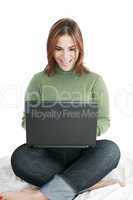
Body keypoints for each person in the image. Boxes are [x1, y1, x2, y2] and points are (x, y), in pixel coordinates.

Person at [1, 18, 121, 200]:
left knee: (111, 150)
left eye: (71, 49)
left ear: (80, 48)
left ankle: (42, 195)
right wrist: (46, 129)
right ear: (50, 49)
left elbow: (104, 120)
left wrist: (84, 131)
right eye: (59, 49)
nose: (65, 56)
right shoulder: (38, 80)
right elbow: (27, 120)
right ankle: (87, 183)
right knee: (20, 157)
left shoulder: (94, 80)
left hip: (83, 154)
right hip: (48, 154)